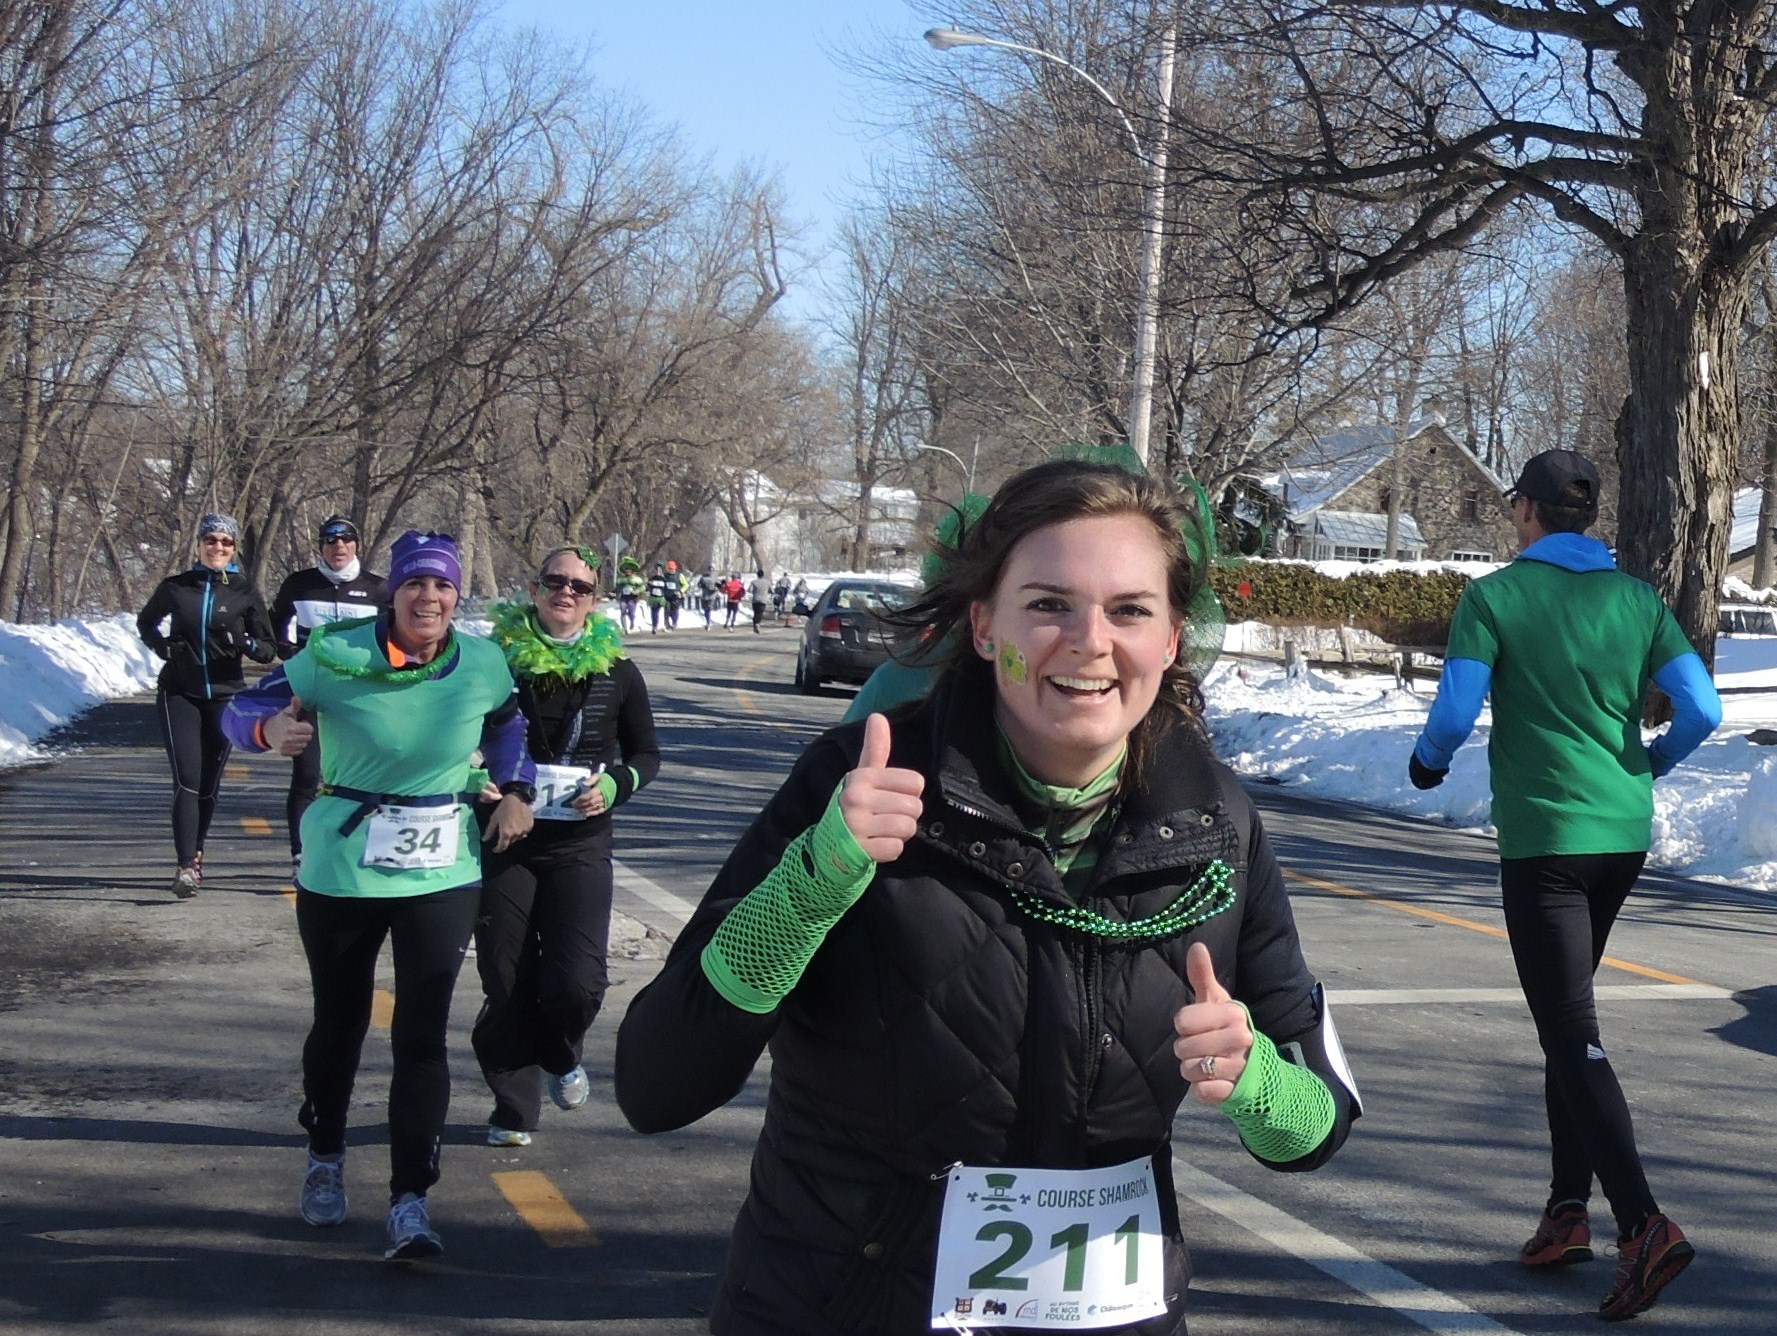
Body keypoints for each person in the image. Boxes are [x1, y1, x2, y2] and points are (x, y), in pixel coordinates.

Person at [615, 458, 1360, 1335]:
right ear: (980, 624)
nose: (1088, 640)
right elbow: (656, 1085)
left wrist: (1253, 1083)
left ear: (1169, 640)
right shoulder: (859, 787)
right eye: (1047, 604)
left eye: (1128, 610)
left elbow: (1317, 1127)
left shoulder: (1218, 823)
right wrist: (811, 887)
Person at [1408, 449, 1721, 1322]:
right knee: (1564, 1020)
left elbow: (1450, 716)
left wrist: (1427, 765)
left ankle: (1642, 1225)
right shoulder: (1636, 600)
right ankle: (1563, 1215)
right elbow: (1703, 708)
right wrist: (1648, 763)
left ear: (1525, 513)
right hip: (1620, 836)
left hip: (1544, 844)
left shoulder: (1496, 598)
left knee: (1571, 1032)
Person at [224, 531, 537, 1263]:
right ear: (392, 592)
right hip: (342, 866)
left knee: (422, 1035)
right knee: (340, 1023)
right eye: (415, 585)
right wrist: (269, 729)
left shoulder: (481, 661)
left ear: (458, 596)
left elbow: (508, 724)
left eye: (443, 587)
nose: (429, 599)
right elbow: (239, 713)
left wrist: (515, 789)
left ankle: (409, 1200)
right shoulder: (334, 654)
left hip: (442, 868)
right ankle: (327, 1154)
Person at [475, 546, 662, 1148]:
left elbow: (646, 754)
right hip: (506, 835)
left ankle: (561, 1054)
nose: (565, 593)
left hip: (580, 841)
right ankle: (513, 1109)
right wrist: (472, 775)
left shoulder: (618, 670)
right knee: (505, 976)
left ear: (595, 597)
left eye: (579, 587)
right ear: (534, 589)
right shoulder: (493, 663)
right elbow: (455, 734)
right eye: (554, 582)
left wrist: (614, 783)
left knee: (577, 983)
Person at [136, 513, 276, 897]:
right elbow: (146, 622)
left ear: (234, 549)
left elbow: (268, 650)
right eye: (211, 540)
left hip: (226, 695)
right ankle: (184, 867)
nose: (218, 547)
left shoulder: (245, 592)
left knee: (208, 788)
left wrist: (244, 643)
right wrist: (162, 646)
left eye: (226, 542)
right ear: (199, 544)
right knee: (187, 780)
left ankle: (196, 854)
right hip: (179, 692)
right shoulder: (177, 588)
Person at [269, 514, 388, 877]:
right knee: (307, 776)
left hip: (360, 697)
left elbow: (396, 633)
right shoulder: (301, 584)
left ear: (356, 545)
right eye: (330, 540)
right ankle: (301, 856)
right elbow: (276, 619)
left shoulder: (378, 589)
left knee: (361, 776)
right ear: (321, 546)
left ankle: (361, 850)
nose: (338, 547)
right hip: (312, 693)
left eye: (346, 540)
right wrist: (288, 652)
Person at [615, 555, 644, 633]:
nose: (627, 571)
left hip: (632, 598)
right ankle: (624, 627)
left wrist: (636, 591)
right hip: (624, 597)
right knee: (623, 610)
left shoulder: (637, 579)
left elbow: (642, 587)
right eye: (626, 569)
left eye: (629, 569)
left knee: (631, 612)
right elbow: (618, 587)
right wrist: (617, 591)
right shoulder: (621, 579)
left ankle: (632, 622)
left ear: (632, 570)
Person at [645, 563, 670, 635]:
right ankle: (654, 626)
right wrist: (647, 590)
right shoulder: (652, 579)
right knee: (654, 612)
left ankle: (663, 625)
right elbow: (648, 587)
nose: (658, 572)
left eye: (660, 571)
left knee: (661, 611)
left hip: (661, 598)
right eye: (657, 570)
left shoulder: (664, 580)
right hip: (653, 598)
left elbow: (667, 589)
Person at [747, 568, 770, 634]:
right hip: (763, 600)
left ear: (757, 575)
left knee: (755, 613)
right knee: (760, 613)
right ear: (763, 575)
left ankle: (755, 626)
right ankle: (757, 624)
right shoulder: (767, 582)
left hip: (755, 599)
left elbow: (749, 590)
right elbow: (772, 590)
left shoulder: (753, 582)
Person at [699, 565, 723, 629]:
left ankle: (708, 623)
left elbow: (719, 585)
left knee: (708, 609)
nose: (711, 571)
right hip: (704, 595)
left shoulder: (715, 577)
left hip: (712, 595)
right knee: (705, 609)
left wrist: (716, 588)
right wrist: (703, 586)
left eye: (712, 570)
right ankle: (707, 621)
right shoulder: (703, 577)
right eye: (710, 570)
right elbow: (699, 584)